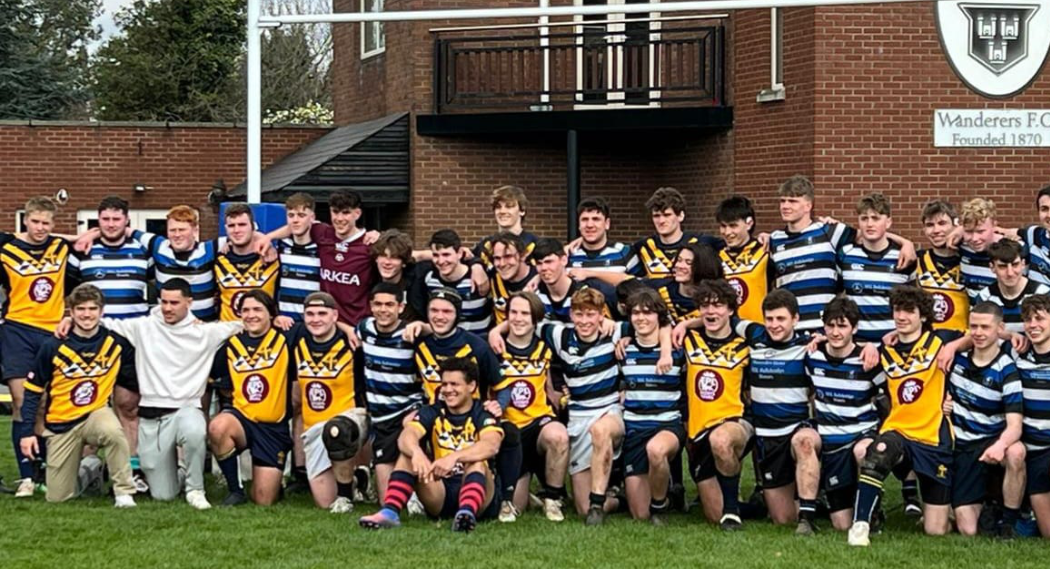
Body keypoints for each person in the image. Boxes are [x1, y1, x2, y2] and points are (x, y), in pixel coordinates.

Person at [87, 278, 243, 509]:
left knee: (194, 427)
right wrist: (70, 320)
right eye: (164, 302)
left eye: (174, 303)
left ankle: (196, 490)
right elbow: (104, 323)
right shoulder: (143, 327)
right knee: (163, 495)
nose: (168, 308)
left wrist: (279, 318)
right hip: (152, 418)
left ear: (189, 302)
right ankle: (180, 475)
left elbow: (247, 323)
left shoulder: (206, 331)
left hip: (186, 410)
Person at [848, 285, 967, 546]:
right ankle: (861, 525)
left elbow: (980, 334)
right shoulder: (885, 350)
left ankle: (940, 510)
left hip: (933, 437)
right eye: (897, 310)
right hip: (898, 431)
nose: (901, 316)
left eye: (909, 311)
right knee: (877, 450)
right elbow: (841, 341)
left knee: (936, 530)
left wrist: (954, 346)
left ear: (923, 315)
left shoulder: (941, 341)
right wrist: (869, 345)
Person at [18, 284, 137, 505]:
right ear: (70, 312)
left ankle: (124, 492)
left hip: (95, 414)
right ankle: (89, 469)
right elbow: (32, 391)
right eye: (80, 309)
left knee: (112, 430)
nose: (87, 314)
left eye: (93, 308)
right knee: (57, 498)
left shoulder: (116, 343)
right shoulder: (52, 346)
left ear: (102, 311)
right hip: (61, 424)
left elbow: (134, 377)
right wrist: (27, 433)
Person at [358, 357, 504, 532]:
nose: (448, 390)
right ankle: (389, 513)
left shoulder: (483, 413)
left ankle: (466, 514)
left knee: (477, 462)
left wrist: (454, 457)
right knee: (408, 455)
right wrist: (417, 453)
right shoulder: (433, 410)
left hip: (481, 496)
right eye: (444, 384)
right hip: (441, 492)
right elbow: (406, 436)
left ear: (471, 386)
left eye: (454, 384)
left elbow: (491, 445)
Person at [66, 195, 151, 494]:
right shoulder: (84, 251)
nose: (111, 224)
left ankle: (131, 470)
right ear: (97, 222)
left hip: (130, 341)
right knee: (86, 404)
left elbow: (163, 281)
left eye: (117, 219)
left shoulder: (142, 249)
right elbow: (67, 292)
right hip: (92, 339)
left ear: (127, 221)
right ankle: (88, 468)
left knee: (128, 405)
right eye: (105, 219)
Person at [769, 176, 914, 333]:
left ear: (808, 206)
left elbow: (869, 233)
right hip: (790, 330)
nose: (785, 206)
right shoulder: (774, 240)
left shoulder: (831, 232)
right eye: (783, 201)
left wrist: (906, 243)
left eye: (792, 201)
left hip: (824, 330)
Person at [1, 196, 72, 497]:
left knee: (44, 402)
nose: (40, 228)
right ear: (25, 222)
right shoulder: (7, 249)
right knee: (21, 401)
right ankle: (26, 477)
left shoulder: (61, 248)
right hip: (16, 330)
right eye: (35, 222)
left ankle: (42, 468)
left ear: (53, 225)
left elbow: (80, 242)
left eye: (46, 223)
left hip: (51, 331)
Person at [736, 290, 823, 532]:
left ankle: (807, 517)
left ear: (795, 319)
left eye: (781, 319)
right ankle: (813, 500)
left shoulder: (808, 345)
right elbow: (724, 317)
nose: (774, 325)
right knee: (782, 519)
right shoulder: (755, 335)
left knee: (805, 442)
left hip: (797, 428)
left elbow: (843, 339)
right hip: (767, 436)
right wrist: (685, 325)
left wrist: (867, 346)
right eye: (770, 319)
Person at [946, 301, 1026, 538]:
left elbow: (1015, 426)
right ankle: (988, 503)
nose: (978, 333)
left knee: (1016, 451)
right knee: (968, 530)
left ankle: (1009, 523)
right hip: (961, 446)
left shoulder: (1007, 370)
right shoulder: (956, 360)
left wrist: (1000, 446)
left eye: (985, 327)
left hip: (992, 441)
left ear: (999, 328)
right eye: (974, 327)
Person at [805, 297, 885, 531]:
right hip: (832, 443)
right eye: (830, 325)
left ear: (855, 328)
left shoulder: (868, 359)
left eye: (842, 326)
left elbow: (887, 394)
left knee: (863, 452)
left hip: (861, 433)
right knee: (841, 525)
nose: (835, 332)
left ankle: (872, 509)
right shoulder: (812, 355)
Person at [680, 279, 753, 530]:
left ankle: (732, 512)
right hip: (698, 430)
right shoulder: (688, 340)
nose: (711, 312)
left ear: (731, 310)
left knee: (721, 440)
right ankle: (750, 506)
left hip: (735, 422)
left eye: (719, 306)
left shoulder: (746, 346)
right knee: (712, 514)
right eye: (705, 306)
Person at [208, 290, 293, 506]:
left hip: (273, 427)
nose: (250, 315)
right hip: (242, 419)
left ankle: (274, 485)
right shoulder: (230, 346)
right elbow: (214, 377)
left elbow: (320, 325)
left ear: (271, 314)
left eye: (257, 309)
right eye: (245, 310)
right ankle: (235, 491)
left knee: (263, 500)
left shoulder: (286, 338)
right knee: (218, 427)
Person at [494, 291, 569, 522]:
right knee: (518, 505)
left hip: (539, 424)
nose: (518, 318)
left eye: (525, 313)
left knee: (559, 436)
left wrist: (564, 397)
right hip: (510, 431)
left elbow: (551, 387)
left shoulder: (546, 349)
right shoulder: (494, 349)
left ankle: (553, 499)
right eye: (513, 312)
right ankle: (525, 494)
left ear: (535, 318)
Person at [290, 292, 369, 512]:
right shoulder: (297, 339)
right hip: (313, 427)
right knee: (324, 502)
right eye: (310, 314)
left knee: (337, 430)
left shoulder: (352, 344)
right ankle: (353, 481)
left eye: (322, 313)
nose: (316, 319)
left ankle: (347, 494)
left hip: (349, 421)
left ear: (335, 315)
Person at [620, 288, 685, 525]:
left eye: (647, 312)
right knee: (639, 514)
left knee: (657, 450)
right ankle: (663, 486)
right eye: (635, 313)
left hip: (667, 424)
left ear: (659, 316)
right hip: (635, 428)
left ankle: (660, 505)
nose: (641, 318)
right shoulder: (623, 350)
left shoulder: (678, 350)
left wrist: (666, 346)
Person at [354, 282, 424, 499]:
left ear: (400, 307)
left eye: (389, 305)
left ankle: (417, 495)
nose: (383, 310)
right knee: (386, 500)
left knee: (411, 449)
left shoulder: (411, 335)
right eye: (378, 305)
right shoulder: (364, 328)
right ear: (371, 306)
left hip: (408, 411)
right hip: (380, 417)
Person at [837, 194, 916, 344]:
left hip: (893, 343)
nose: (869, 224)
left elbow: (912, 305)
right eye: (864, 218)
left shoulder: (904, 257)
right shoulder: (845, 255)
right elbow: (835, 297)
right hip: (856, 345)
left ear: (888, 222)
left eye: (876, 218)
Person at [1015, 294, 1050, 538]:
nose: (1032, 325)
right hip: (1033, 451)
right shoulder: (1017, 357)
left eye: (1040, 318)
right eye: (1027, 320)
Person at [411, 229, 492, 333]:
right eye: (436, 255)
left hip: (480, 343)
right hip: (445, 345)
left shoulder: (479, 276)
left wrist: (477, 265)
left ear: (459, 253)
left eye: (446, 255)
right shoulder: (428, 278)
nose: (440, 261)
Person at [633, 187, 722, 278]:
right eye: (656, 216)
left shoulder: (701, 243)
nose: (661, 220)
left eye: (667, 215)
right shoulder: (643, 247)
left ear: (681, 216)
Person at [215, 203, 279, 322]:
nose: (237, 230)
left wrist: (267, 241)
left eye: (242, 225)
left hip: (264, 335)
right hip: (227, 335)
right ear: (226, 228)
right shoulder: (217, 258)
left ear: (253, 227)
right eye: (231, 225)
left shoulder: (272, 258)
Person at [915, 200, 969, 334]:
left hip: (962, 345)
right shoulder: (916, 261)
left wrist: (965, 228)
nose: (936, 230)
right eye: (930, 225)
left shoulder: (970, 261)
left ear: (956, 225)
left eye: (942, 223)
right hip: (925, 346)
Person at [974, 239, 1050, 335]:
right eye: (1003, 266)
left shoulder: (1043, 294)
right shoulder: (985, 298)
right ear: (992, 267)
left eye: (1015, 265)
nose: (1010, 273)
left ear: (1023, 264)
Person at [715, 195, 771, 323]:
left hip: (760, 332)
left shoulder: (765, 251)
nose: (727, 232)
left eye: (733, 226)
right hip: (728, 335)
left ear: (749, 223)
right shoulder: (716, 257)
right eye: (723, 226)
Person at [532, 237, 616, 322]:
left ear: (564, 260)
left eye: (549, 262)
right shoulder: (534, 294)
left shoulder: (585, 294)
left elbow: (605, 326)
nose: (544, 268)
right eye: (539, 263)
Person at [276, 192, 321, 322]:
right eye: (291, 215)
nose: (295, 220)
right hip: (285, 322)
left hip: (314, 322)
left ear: (312, 217)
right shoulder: (280, 246)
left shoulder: (322, 249)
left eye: (301, 215)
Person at [474, 185, 539, 271]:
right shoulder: (484, 246)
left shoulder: (535, 244)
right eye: (498, 207)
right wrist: (474, 265)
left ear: (522, 210)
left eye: (509, 206)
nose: (502, 211)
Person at [567, 197, 639, 274]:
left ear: (607, 224)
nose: (590, 225)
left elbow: (641, 284)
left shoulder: (625, 253)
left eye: (596, 219)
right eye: (585, 219)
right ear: (579, 224)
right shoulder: (568, 256)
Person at [371, 229, 421, 321]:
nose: (387, 262)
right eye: (383, 255)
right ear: (376, 259)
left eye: (394, 257)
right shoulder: (369, 279)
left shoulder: (416, 282)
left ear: (404, 262)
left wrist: (419, 255)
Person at [489, 233, 538, 325]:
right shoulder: (492, 276)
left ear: (523, 255)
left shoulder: (541, 278)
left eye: (508, 256)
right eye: (497, 258)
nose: (502, 263)